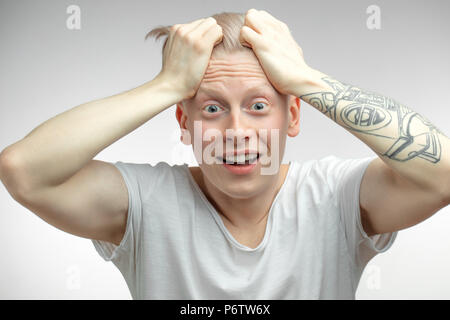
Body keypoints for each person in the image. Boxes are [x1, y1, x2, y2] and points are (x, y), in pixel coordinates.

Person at [0, 9, 449, 300]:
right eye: (212, 109)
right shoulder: (144, 203)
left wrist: (306, 79)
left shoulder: (336, 197)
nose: (236, 132)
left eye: (258, 106)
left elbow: (443, 174)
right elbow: (24, 170)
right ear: (184, 123)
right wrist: (166, 85)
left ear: (293, 116)